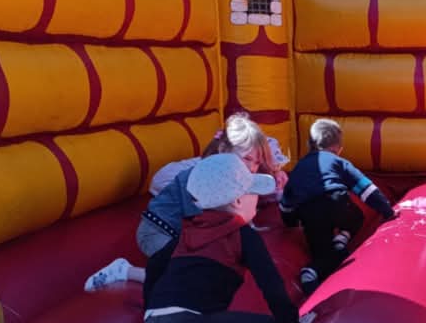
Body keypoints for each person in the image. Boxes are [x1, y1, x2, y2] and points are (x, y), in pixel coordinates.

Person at [143, 153, 311, 323]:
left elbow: (154, 266)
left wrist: (148, 307)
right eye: (253, 193)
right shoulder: (242, 235)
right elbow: (271, 285)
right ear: (237, 201)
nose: (258, 200)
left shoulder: (187, 231)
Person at [85, 114, 285, 291]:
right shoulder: (200, 178)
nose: (252, 168)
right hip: (156, 233)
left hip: (181, 236)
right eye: (247, 159)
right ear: (223, 149)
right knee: (190, 278)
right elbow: (202, 226)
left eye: (256, 162)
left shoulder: (233, 181)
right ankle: (124, 271)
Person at [280, 118, 395, 294]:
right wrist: (387, 211)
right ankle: (341, 241)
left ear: (309, 145)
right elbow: (365, 189)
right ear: (338, 148)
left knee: (321, 251)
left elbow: (287, 201)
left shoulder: (299, 167)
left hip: (309, 212)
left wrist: (290, 222)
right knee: (356, 217)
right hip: (335, 201)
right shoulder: (337, 161)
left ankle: (310, 271)